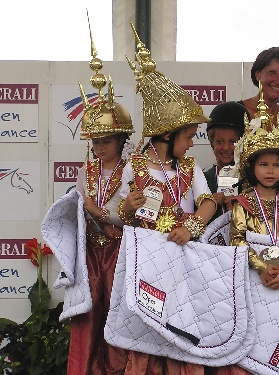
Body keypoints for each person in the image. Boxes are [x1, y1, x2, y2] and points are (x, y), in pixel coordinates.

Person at [118, 26, 216, 375]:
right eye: (188, 136)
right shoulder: (134, 166)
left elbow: (207, 203)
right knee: (147, 337)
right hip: (148, 261)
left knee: (181, 333)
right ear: (167, 134)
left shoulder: (190, 168)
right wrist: (126, 209)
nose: (192, 144)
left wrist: (190, 227)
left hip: (185, 258)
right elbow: (123, 215)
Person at [213, 83, 279, 375]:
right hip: (253, 281)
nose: (269, 170)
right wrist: (262, 268)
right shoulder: (242, 203)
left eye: (276, 165)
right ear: (251, 166)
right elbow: (237, 241)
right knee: (251, 345)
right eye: (263, 164)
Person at [67, 41, 135, 374]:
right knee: (87, 315)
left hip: (121, 252)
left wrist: (96, 210)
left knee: (118, 315)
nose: (99, 147)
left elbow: (122, 215)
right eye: (95, 142)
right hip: (91, 254)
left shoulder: (133, 169)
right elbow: (78, 210)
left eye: (106, 141)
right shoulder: (86, 171)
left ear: (121, 140)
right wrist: (90, 211)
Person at [204, 101, 248, 223]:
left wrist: (243, 206)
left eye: (233, 142)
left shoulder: (252, 180)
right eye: (219, 141)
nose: (225, 148)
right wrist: (208, 204)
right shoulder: (203, 179)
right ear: (212, 142)